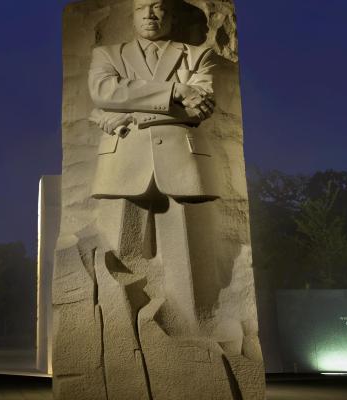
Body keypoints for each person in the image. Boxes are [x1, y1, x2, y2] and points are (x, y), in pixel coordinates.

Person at [87, 0, 222, 335]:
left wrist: (130, 112)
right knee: (119, 253)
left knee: (186, 258)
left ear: (171, 16)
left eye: (158, 7)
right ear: (132, 15)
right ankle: (121, 334)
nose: (149, 14)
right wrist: (177, 90)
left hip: (181, 161)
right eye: (141, 8)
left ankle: (193, 330)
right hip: (123, 161)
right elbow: (103, 93)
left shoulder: (199, 55)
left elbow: (200, 109)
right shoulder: (108, 54)